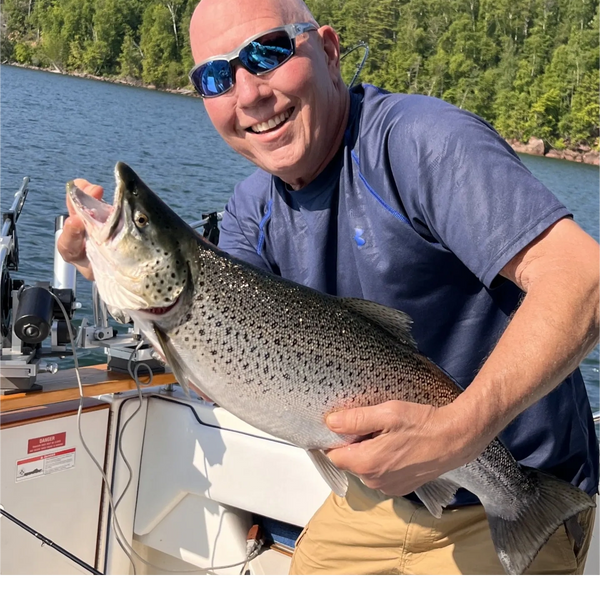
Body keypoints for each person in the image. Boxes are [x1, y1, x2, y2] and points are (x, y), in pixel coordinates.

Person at [59, 0, 600, 577]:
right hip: (375, 498)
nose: (248, 94)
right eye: (216, 77)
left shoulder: (423, 144)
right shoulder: (251, 209)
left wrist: (458, 432)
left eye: (266, 53)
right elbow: (208, 335)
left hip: (510, 484)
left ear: (329, 50)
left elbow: (584, 280)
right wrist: (103, 261)